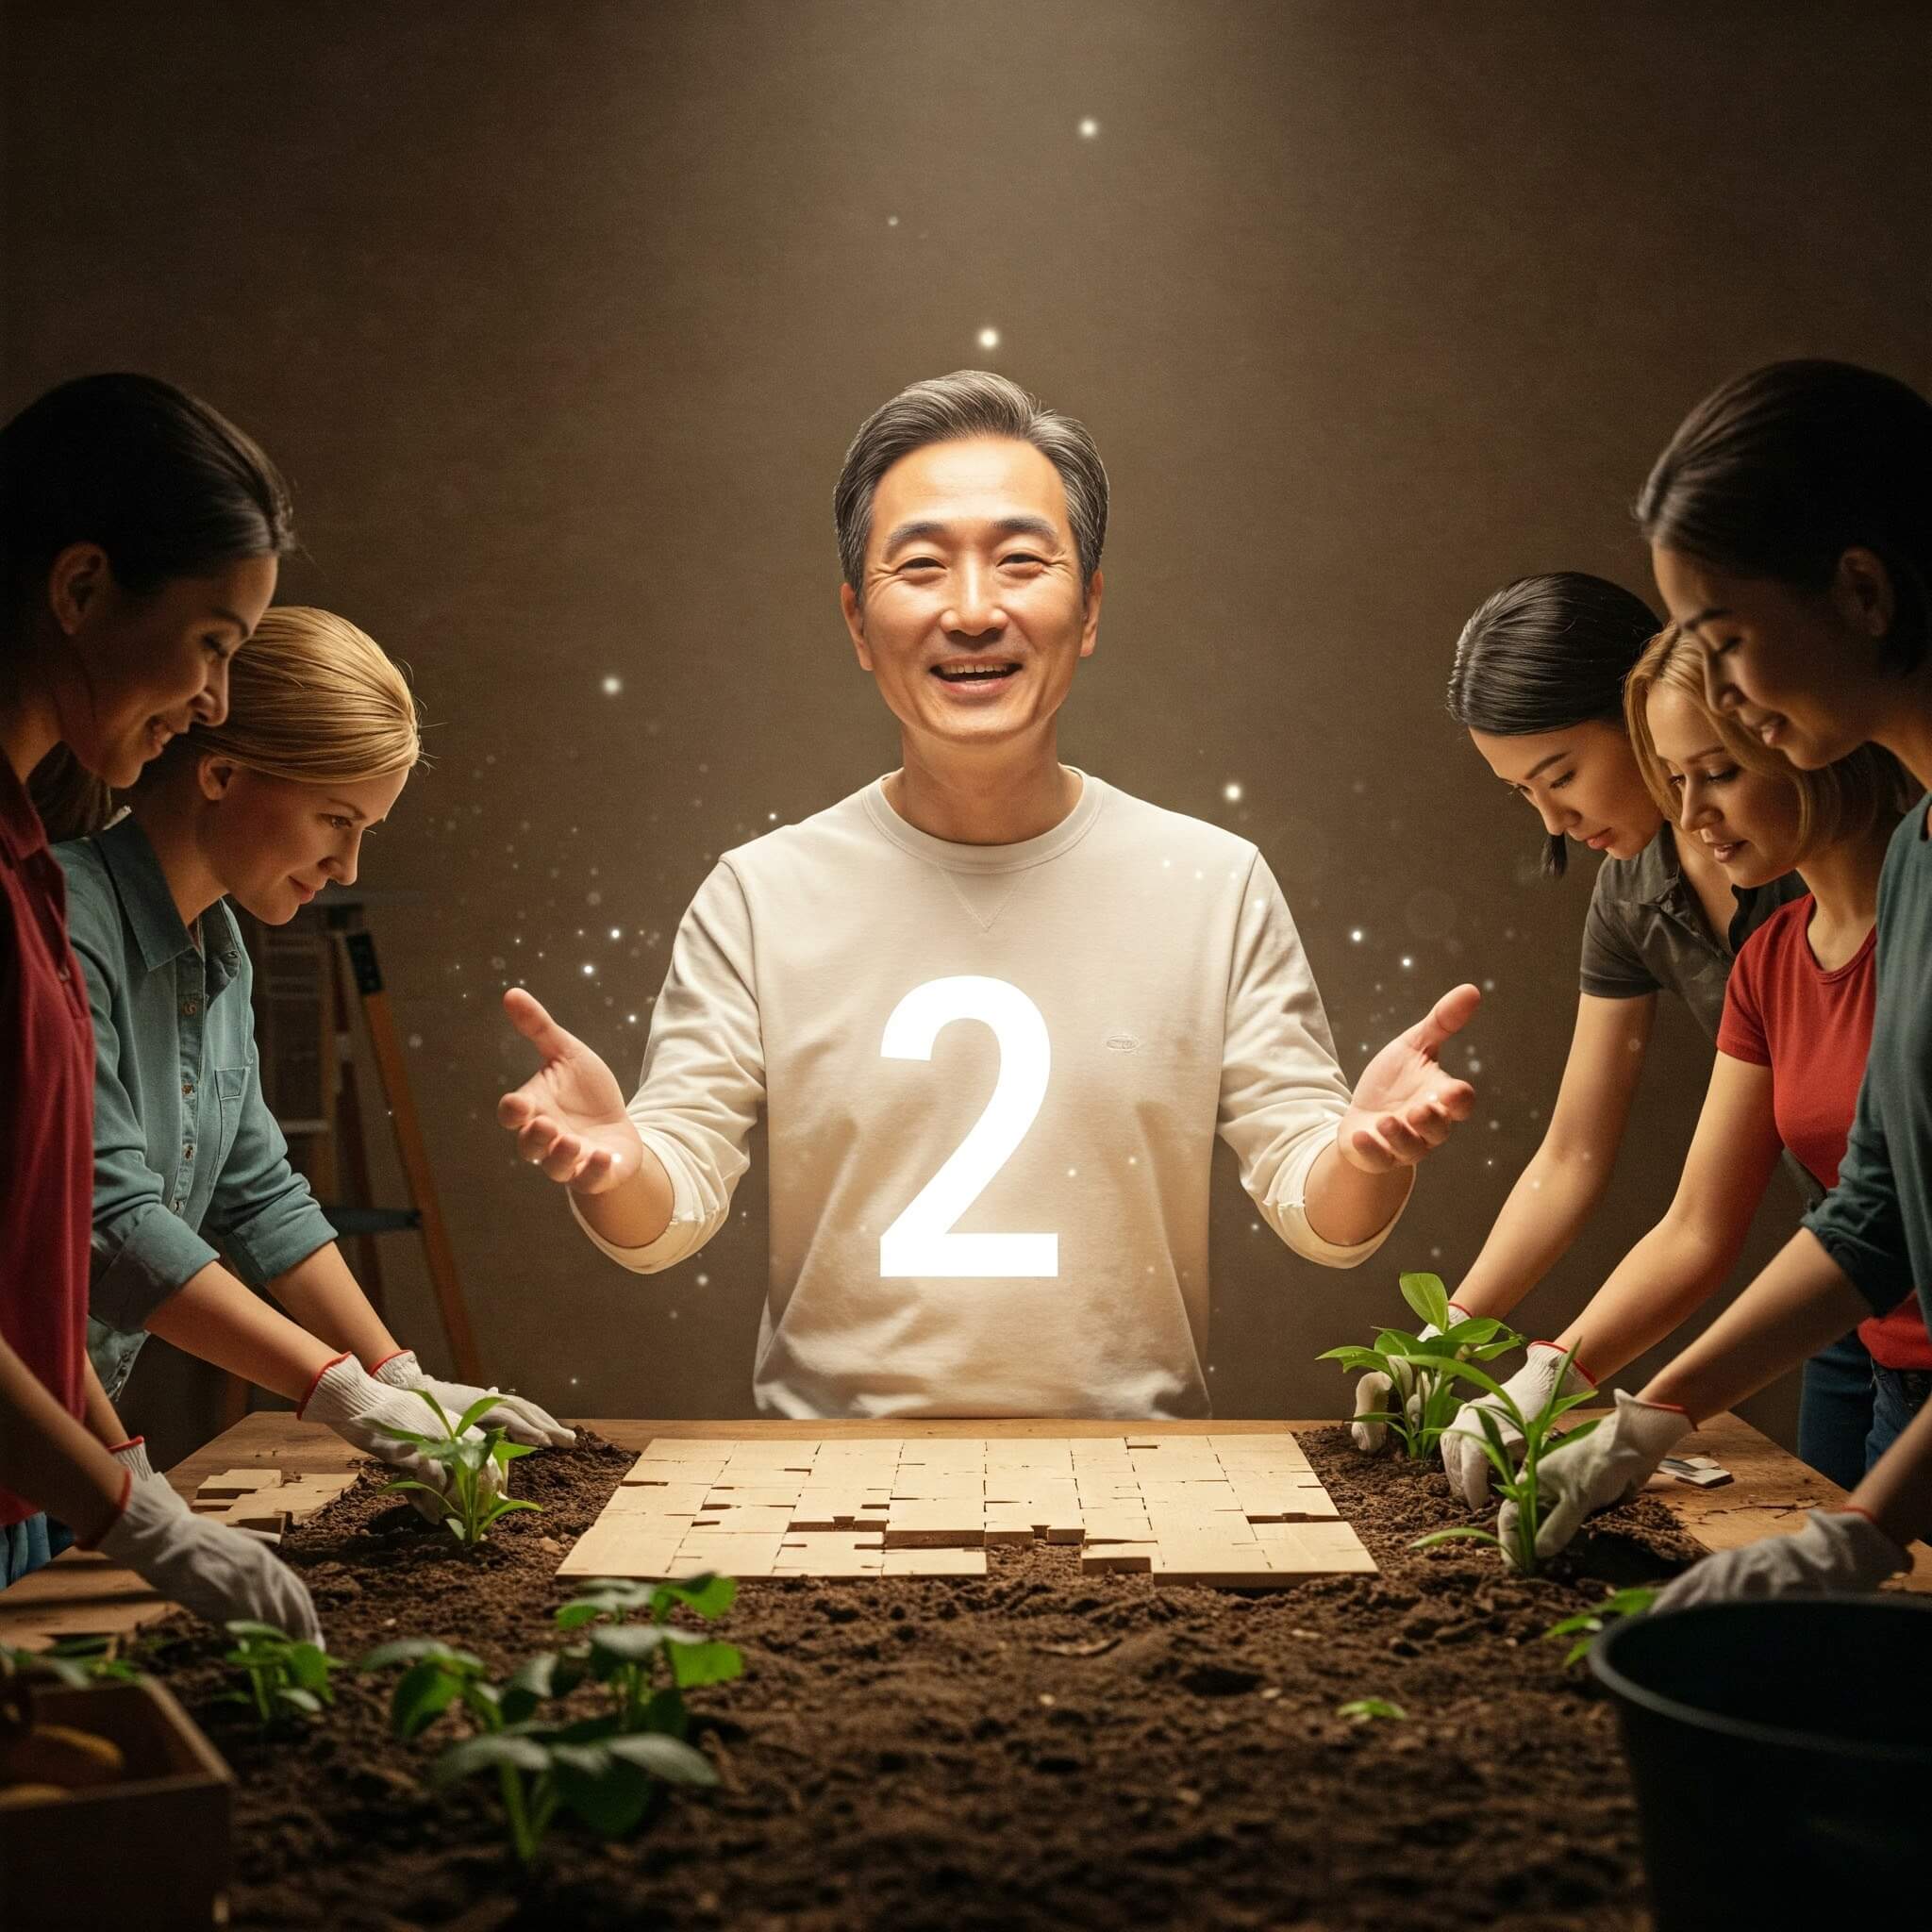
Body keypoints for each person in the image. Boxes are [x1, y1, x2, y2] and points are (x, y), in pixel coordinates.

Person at [498, 370, 1478, 1418]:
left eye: (1020, 562)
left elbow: (1316, 1211)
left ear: (1090, 605)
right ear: (855, 621)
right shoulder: (759, 896)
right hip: (828, 1485)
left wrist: (1362, 1152)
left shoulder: (1211, 881)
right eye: (919, 567)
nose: (971, 611)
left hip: (1140, 1481)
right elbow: (672, 1208)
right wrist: (616, 1166)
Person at [1506, 359, 1932, 1601]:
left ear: (1860, 591)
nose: (1731, 699)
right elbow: (1875, 1215)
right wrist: (1649, 1410)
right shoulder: (1915, 861)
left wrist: (1859, 1531)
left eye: (1729, 641)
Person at [49, 606, 570, 1510]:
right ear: (219, 773)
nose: (349, 865)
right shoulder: (61, 921)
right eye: (337, 819)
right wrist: (340, 1394)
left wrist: (397, 1378)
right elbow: (109, 1222)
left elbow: (260, 1194)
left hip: (66, 1461)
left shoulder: (219, 948)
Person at [1441, 623, 1920, 1507]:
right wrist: (1494, 1353)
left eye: (1721, 771)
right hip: (1864, 1327)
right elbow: (1680, 1208)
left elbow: (1872, 1215)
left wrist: (1645, 1410)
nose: (1693, 815)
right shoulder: (1771, 958)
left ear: (1792, 735)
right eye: (1679, 779)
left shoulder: (1895, 908)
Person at [1353, 575, 1820, 1459]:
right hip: (1841, 1283)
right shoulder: (1631, 898)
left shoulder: (1816, 871)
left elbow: (1704, 1217)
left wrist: (1556, 1374)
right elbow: (1570, 1157)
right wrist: (1442, 1345)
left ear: (1643, 705)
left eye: (1561, 775)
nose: (1555, 822)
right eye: (1523, 793)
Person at [0, 372, 316, 1639]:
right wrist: (133, 1514)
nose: (214, 703)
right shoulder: (55, 887)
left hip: (34, 1483)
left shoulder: (26, 864)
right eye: (212, 645)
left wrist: (114, 1470)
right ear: (79, 591)